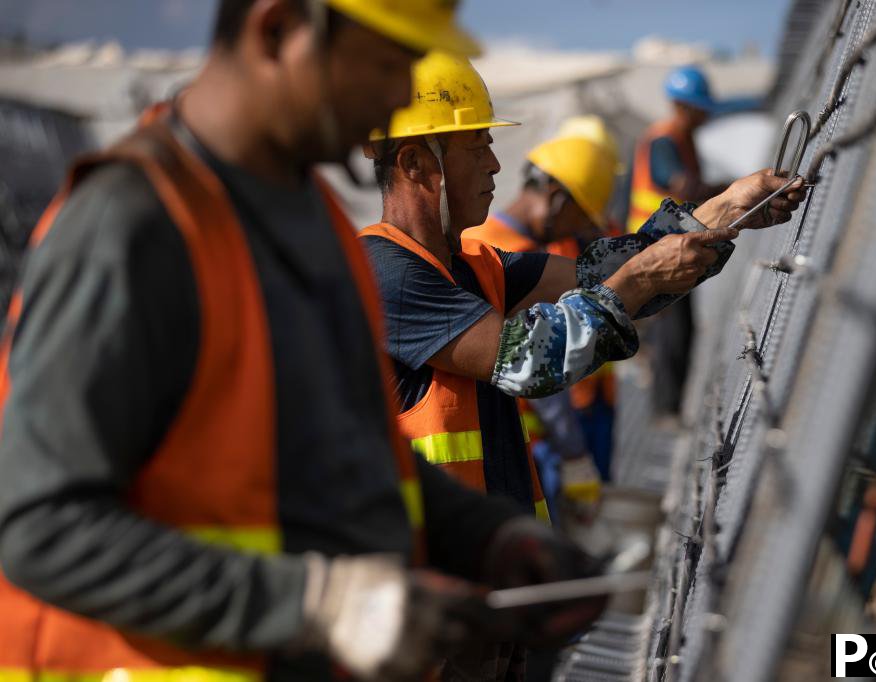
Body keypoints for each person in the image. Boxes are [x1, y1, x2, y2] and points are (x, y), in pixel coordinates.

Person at [0, 3, 603, 681]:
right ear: (278, 29)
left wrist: (489, 535)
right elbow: (39, 528)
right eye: (385, 66)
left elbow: (355, 458)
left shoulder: (310, 224)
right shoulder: (132, 226)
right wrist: (317, 604)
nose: (395, 99)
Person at [360, 51, 806, 680]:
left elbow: (609, 269)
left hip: (489, 596)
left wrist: (729, 208)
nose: (494, 164)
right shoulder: (386, 275)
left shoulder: (473, 268)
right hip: (431, 609)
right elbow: (525, 362)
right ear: (415, 163)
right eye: (477, 145)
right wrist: (637, 281)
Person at [463, 119, 621, 517]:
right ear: (557, 197)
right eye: (582, 217)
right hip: (521, 447)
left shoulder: (482, 238)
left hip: (516, 443)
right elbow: (531, 364)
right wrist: (573, 451)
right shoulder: (511, 257)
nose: (581, 230)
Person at [628, 65, 724, 418]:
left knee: (680, 328)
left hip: (672, 243)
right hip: (656, 246)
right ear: (685, 107)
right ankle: (665, 409)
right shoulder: (664, 140)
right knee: (672, 329)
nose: (704, 115)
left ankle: (670, 406)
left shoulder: (682, 139)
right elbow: (681, 184)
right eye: (700, 108)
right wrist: (727, 192)